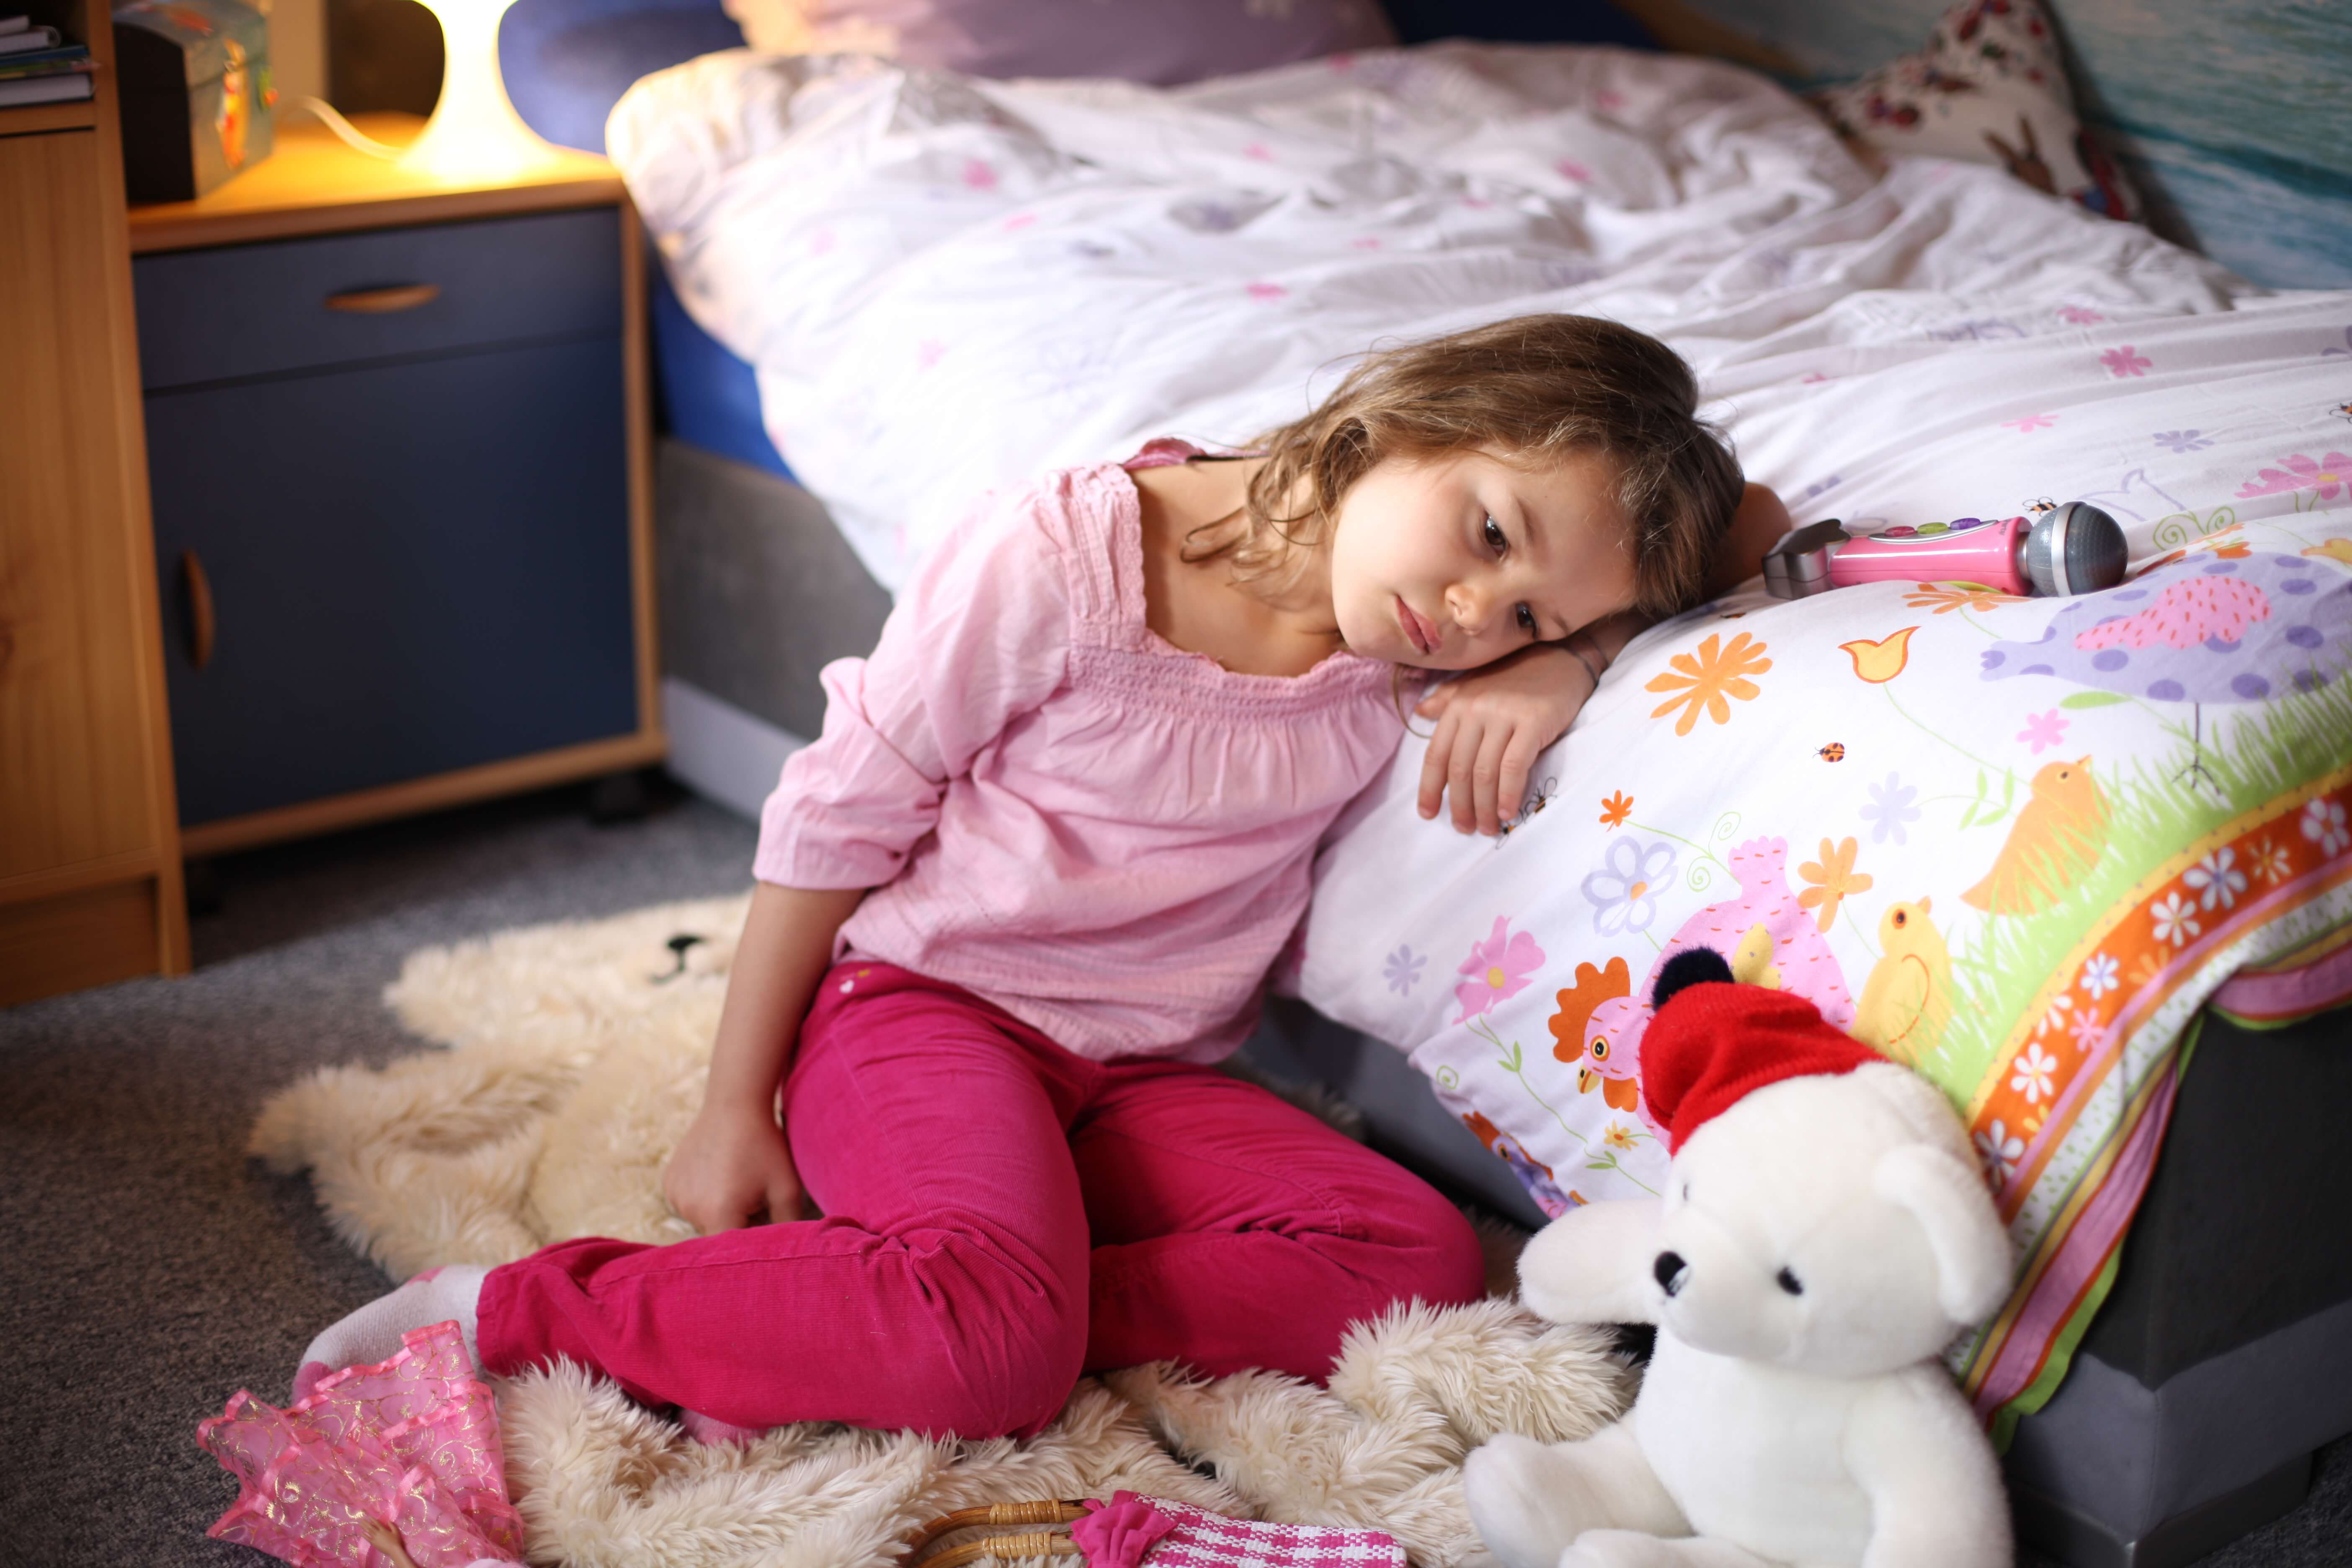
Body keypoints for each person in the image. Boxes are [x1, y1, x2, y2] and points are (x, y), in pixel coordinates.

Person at [292, 314, 1792, 1441]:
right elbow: (837, 815)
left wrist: (1571, 663)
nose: (1467, 611)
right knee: (988, 1359)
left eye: (1517, 610)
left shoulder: (1405, 652)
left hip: (1136, 1072)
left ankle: (947, 1282)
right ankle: (514, 1314)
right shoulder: (1068, 560)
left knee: (1408, 1253)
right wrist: (732, 1103)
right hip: (925, 1013)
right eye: (1486, 534)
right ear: (1412, 416)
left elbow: (1758, 530)